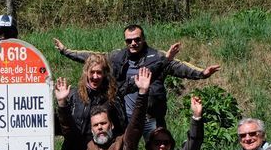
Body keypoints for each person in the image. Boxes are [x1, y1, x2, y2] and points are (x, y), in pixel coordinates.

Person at [54, 25, 220, 134]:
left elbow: (180, 67)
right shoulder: (117, 57)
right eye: (129, 40)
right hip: (126, 118)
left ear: (143, 39)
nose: (133, 43)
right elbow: (94, 58)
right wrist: (66, 51)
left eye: (137, 39)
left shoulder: (158, 57)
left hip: (151, 117)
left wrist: (202, 73)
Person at [54, 53, 125, 150]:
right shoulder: (73, 95)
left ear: (105, 74)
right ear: (85, 72)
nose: (95, 76)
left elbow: (121, 128)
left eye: (99, 72)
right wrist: (62, 103)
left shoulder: (112, 97)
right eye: (91, 72)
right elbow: (61, 126)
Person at [78, 67, 151, 150]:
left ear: (111, 125)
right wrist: (62, 104)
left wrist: (142, 93)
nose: (100, 127)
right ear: (91, 129)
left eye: (103, 123)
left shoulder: (123, 142)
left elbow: (136, 124)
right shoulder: (86, 147)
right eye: (95, 125)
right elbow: (69, 131)